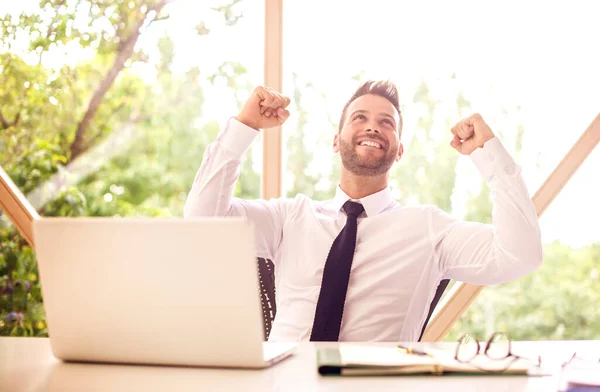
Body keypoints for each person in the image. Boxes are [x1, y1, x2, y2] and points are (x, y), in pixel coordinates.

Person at [184, 80, 543, 342]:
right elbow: (203, 223)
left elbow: (520, 256)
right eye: (359, 118)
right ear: (336, 141)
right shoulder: (290, 217)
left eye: (387, 122)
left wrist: (490, 157)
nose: (373, 126)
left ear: (399, 150)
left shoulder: (429, 229)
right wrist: (243, 127)